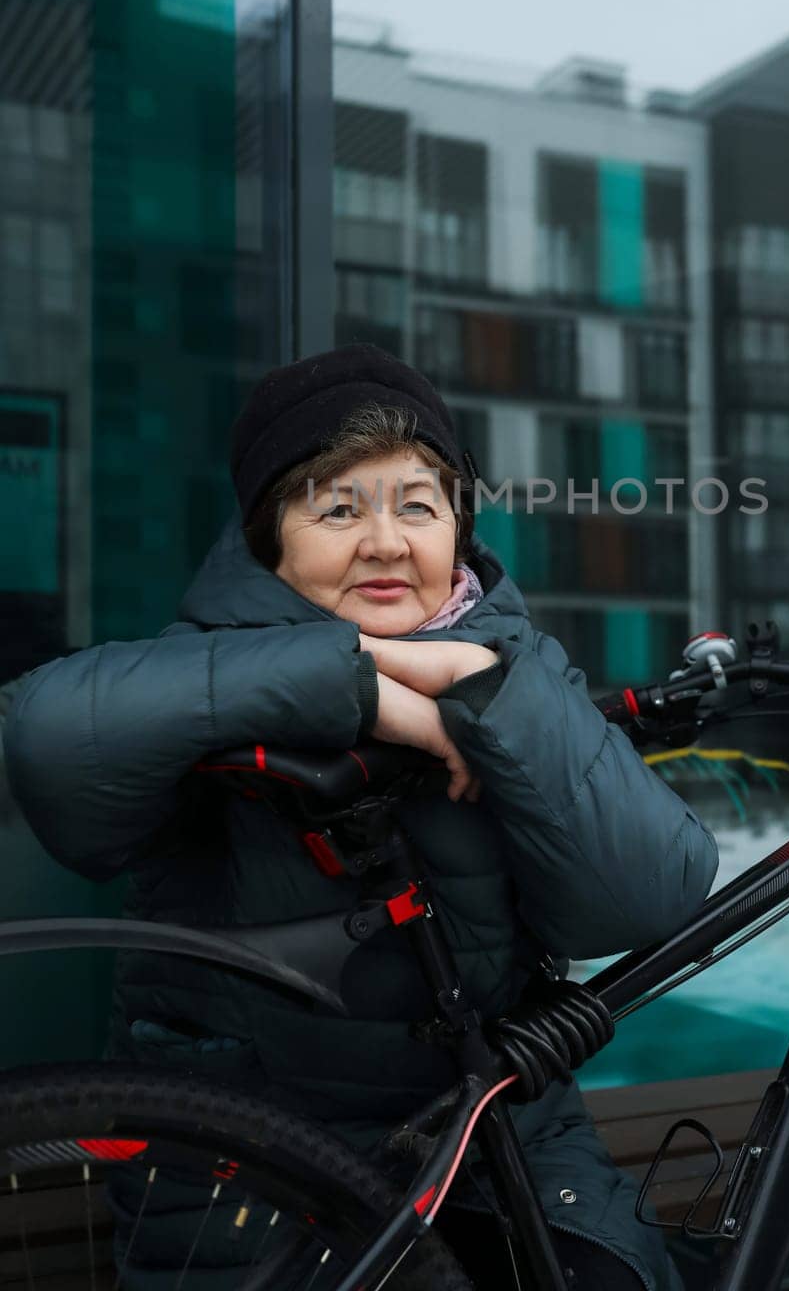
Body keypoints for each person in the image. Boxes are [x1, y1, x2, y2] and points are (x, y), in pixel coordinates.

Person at [4, 341, 719, 1291]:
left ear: (456, 529)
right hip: (251, 1162)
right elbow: (48, 733)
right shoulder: (200, 667)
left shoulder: (514, 662)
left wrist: (475, 684)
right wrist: (365, 689)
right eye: (338, 507)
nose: (385, 541)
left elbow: (646, 901)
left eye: (417, 505)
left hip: (498, 1135)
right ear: (272, 538)